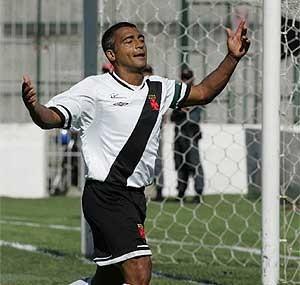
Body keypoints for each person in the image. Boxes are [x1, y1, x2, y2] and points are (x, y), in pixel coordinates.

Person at [22, 21, 250, 285]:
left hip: (134, 196)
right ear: (111, 54)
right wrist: (34, 107)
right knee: (139, 271)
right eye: (128, 40)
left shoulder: (158, 88)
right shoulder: (94, 89)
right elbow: (50, 118)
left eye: (140, 38)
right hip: (107, 194)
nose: (139, 43)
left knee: (109, 277)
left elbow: (204, 92)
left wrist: (233, 57)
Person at [170, 68, 204, 203]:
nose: (185, 80)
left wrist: (183, 110)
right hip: (179, 135)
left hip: (190, 134)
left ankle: (198, 192)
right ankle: (181, 192)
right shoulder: (179, 95)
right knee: (179, 164)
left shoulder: (196, 93)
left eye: (188, 77)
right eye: (183, 78)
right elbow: (173, 117)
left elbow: (194, 118)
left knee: (194, 164)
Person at [143, 64, 164, 201]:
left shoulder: (156, 90)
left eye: (148, 73)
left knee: (157, 162)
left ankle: (160, 190)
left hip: (154, 134)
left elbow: (158, 109)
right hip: (139, 134)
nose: (146, 76)